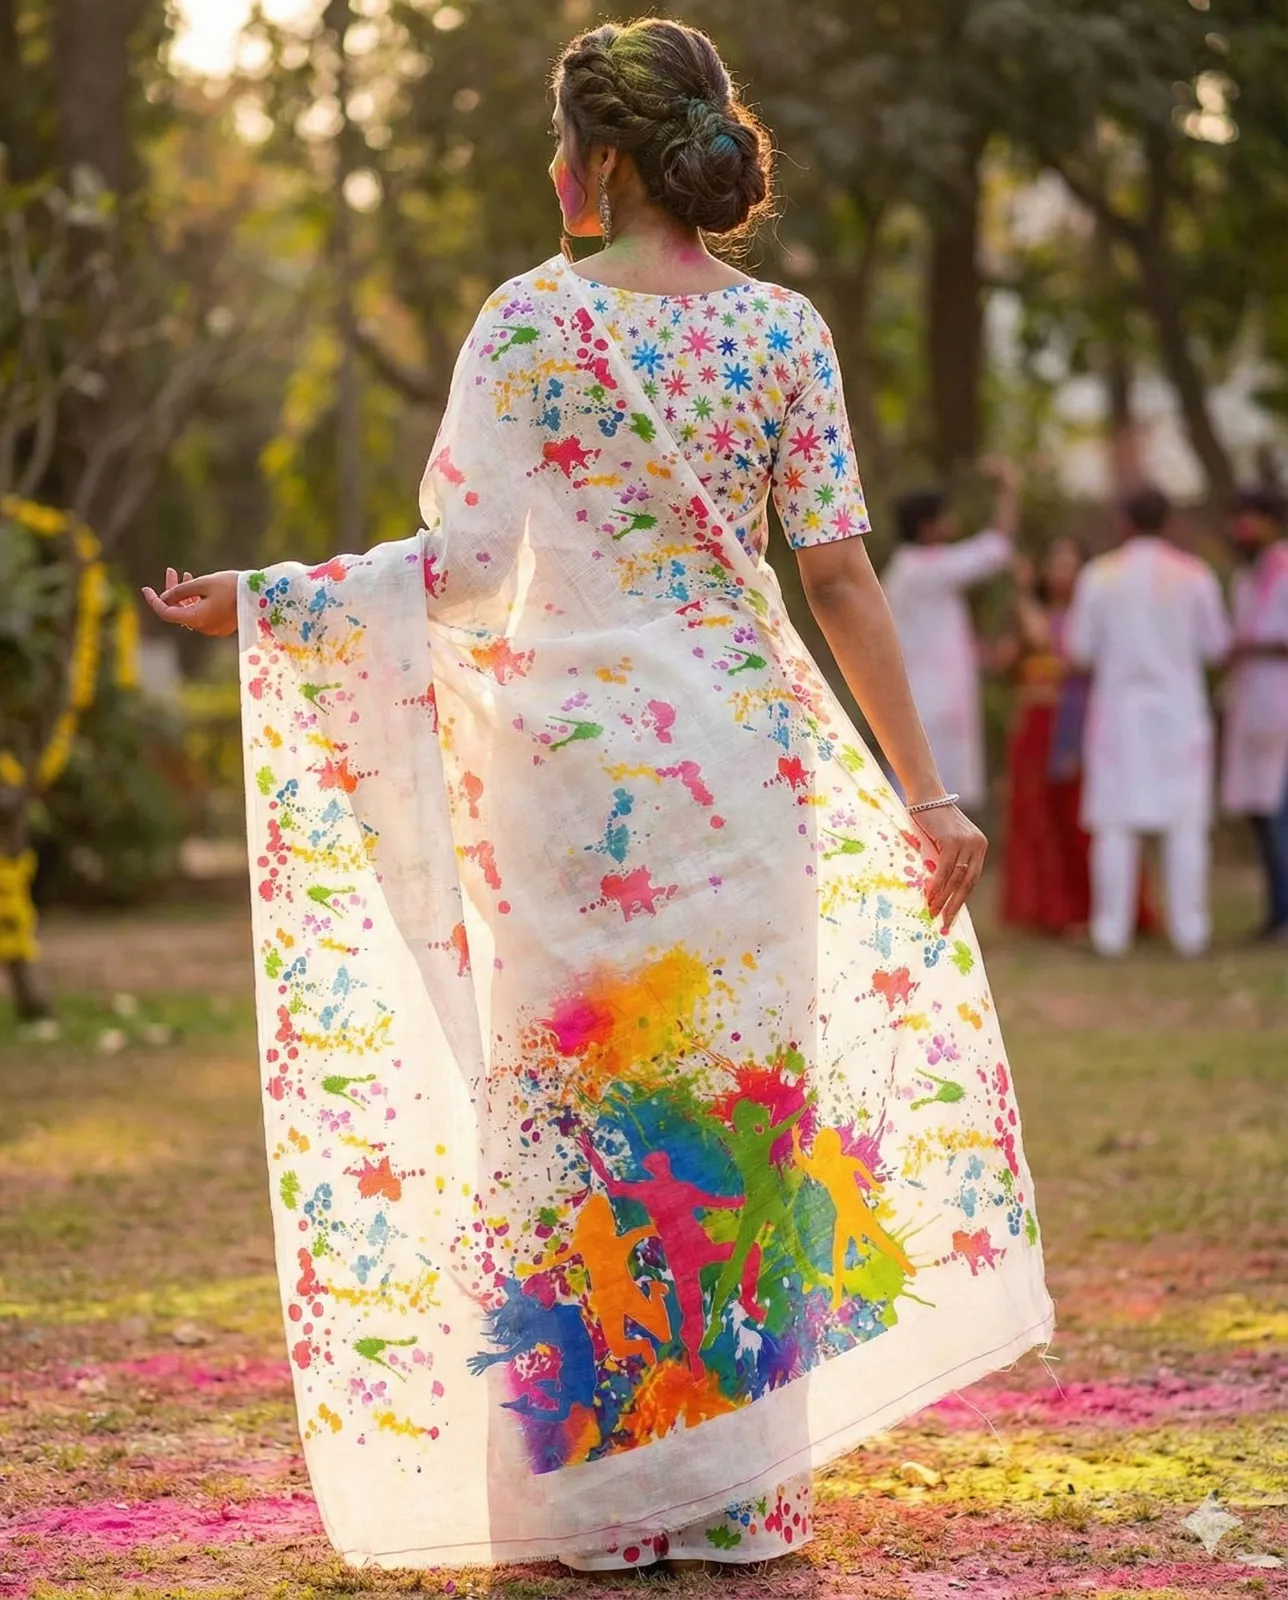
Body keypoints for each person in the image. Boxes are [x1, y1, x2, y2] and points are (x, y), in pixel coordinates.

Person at [142, 18, 1052, 1579]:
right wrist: (928, 794)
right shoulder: (783, 331)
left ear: (605, 158)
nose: (553, 166)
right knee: (737, 1098)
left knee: (581, 1108)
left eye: (562, 142)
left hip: (576, 777)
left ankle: (593, 1503)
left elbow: (461, 571)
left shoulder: (528, 321)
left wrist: (275, 598)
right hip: (745, 769)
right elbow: (838, 575)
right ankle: (738, 1496)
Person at [1066, 487, 1231, 958]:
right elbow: (1218, 646)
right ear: (1170, 521)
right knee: (1185, 825)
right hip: (1180, 712)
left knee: (1114, 826)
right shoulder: (1194, 574)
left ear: (1124, 522)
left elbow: (1078, 650)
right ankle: (1190, 932)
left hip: (1119, 715)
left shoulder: (1100, 575)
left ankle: (1110, 934)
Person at [999, 540, 1157, 938]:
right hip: (1036, 723)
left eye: (1069, 565)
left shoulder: (1088, 617)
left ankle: (1093, 907)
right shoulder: (1034, 614)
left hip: (1076, 723)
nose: (1060, 573)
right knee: (1036, 814)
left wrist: (1022, 593)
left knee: (1079, 816)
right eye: (1055, 564)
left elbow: (1048, 643)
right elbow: (1009, 658)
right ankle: (1048, 908)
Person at [881, 464, 1022, 813]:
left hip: (924, 694)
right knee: (929, 799)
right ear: (926, 526)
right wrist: (1009, 490)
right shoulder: (924, 569)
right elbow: (995, 548)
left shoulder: (907, 569)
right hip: (935, 699)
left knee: (923, 795)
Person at [1221, 486, 1288, 942]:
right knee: (1262, 815)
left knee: (1280, 813)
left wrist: (1246, 646)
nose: (1241, 528)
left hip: (1280, 705)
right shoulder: (1246, 578)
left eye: (1249, 518)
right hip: (1253, 705)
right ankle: (1277, 911)